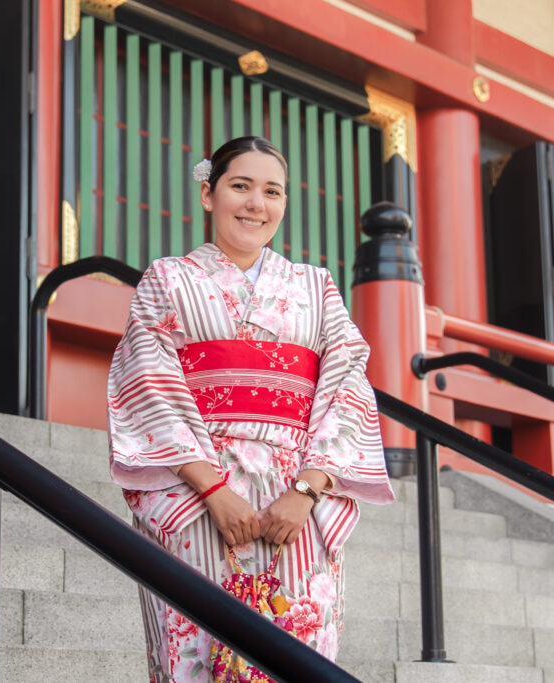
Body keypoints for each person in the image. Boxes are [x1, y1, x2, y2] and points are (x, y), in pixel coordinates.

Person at [107, 136, 394, 682]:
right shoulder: (168, 279)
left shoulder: (316, 287)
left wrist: (306, 491)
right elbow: (147, 381)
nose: (256, 204)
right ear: (208, 194)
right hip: (196, 495)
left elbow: (348, 386)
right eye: (240, 186)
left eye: (272, 191)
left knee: (300, 654)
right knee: (194, 651)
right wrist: (213, 491)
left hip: (297, 502)